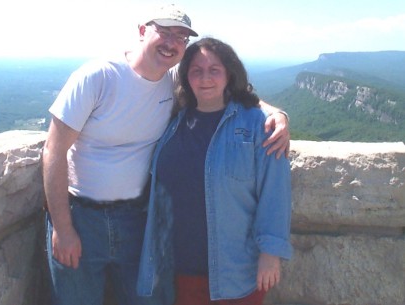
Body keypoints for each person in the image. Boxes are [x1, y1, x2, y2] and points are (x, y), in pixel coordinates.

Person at [43, 4, 290, 305]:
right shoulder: (98, 76)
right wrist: (63, 227)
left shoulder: (172, 81)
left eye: (181, 37)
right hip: (82, 218)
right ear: (142, 30)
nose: (172, 43)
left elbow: (222, 87)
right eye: (164, 32)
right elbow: (54, 150)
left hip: (138, 222)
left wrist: (275, 113)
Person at [137, 37, 293, 305]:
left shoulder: (258, 125)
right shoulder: (173, 121)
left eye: (214, 70)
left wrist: (271, 253)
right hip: (179, 269)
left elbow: (275, 191)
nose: (205, 78)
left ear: (229, 74)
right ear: (186, 76)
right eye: (196, 70)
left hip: (237, 272)